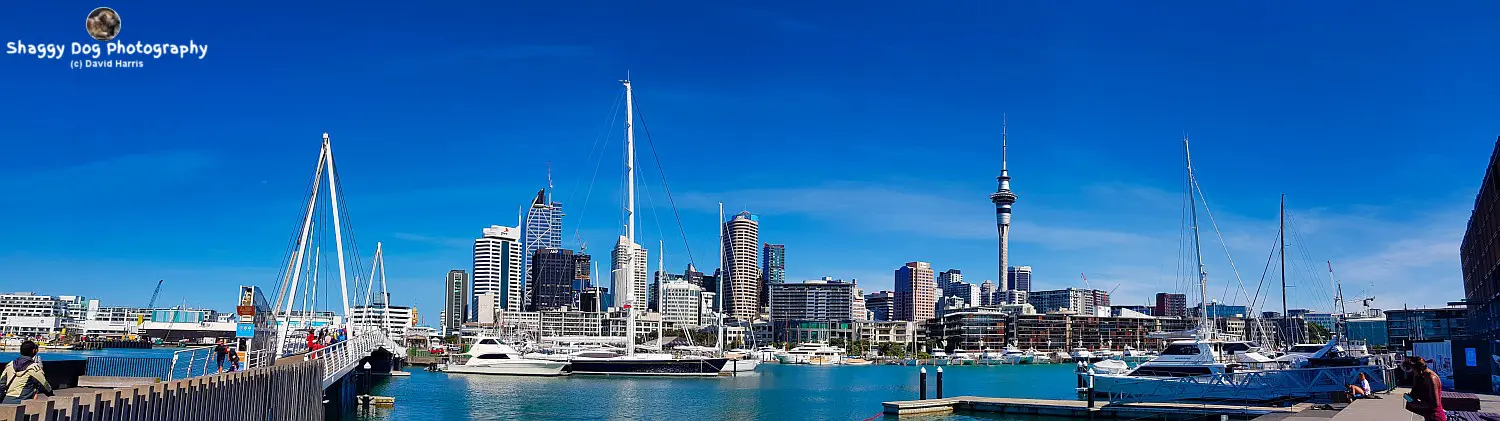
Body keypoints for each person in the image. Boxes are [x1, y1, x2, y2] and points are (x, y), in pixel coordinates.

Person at [1404, 356, 1446, 421]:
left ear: (1420, 369)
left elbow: (1435, 404)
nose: (1413, 372)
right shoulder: (1421, 376)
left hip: (1436, 417)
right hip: (1428, 415)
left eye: (1414, 370)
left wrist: (1416, 404)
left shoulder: (1431, 378)